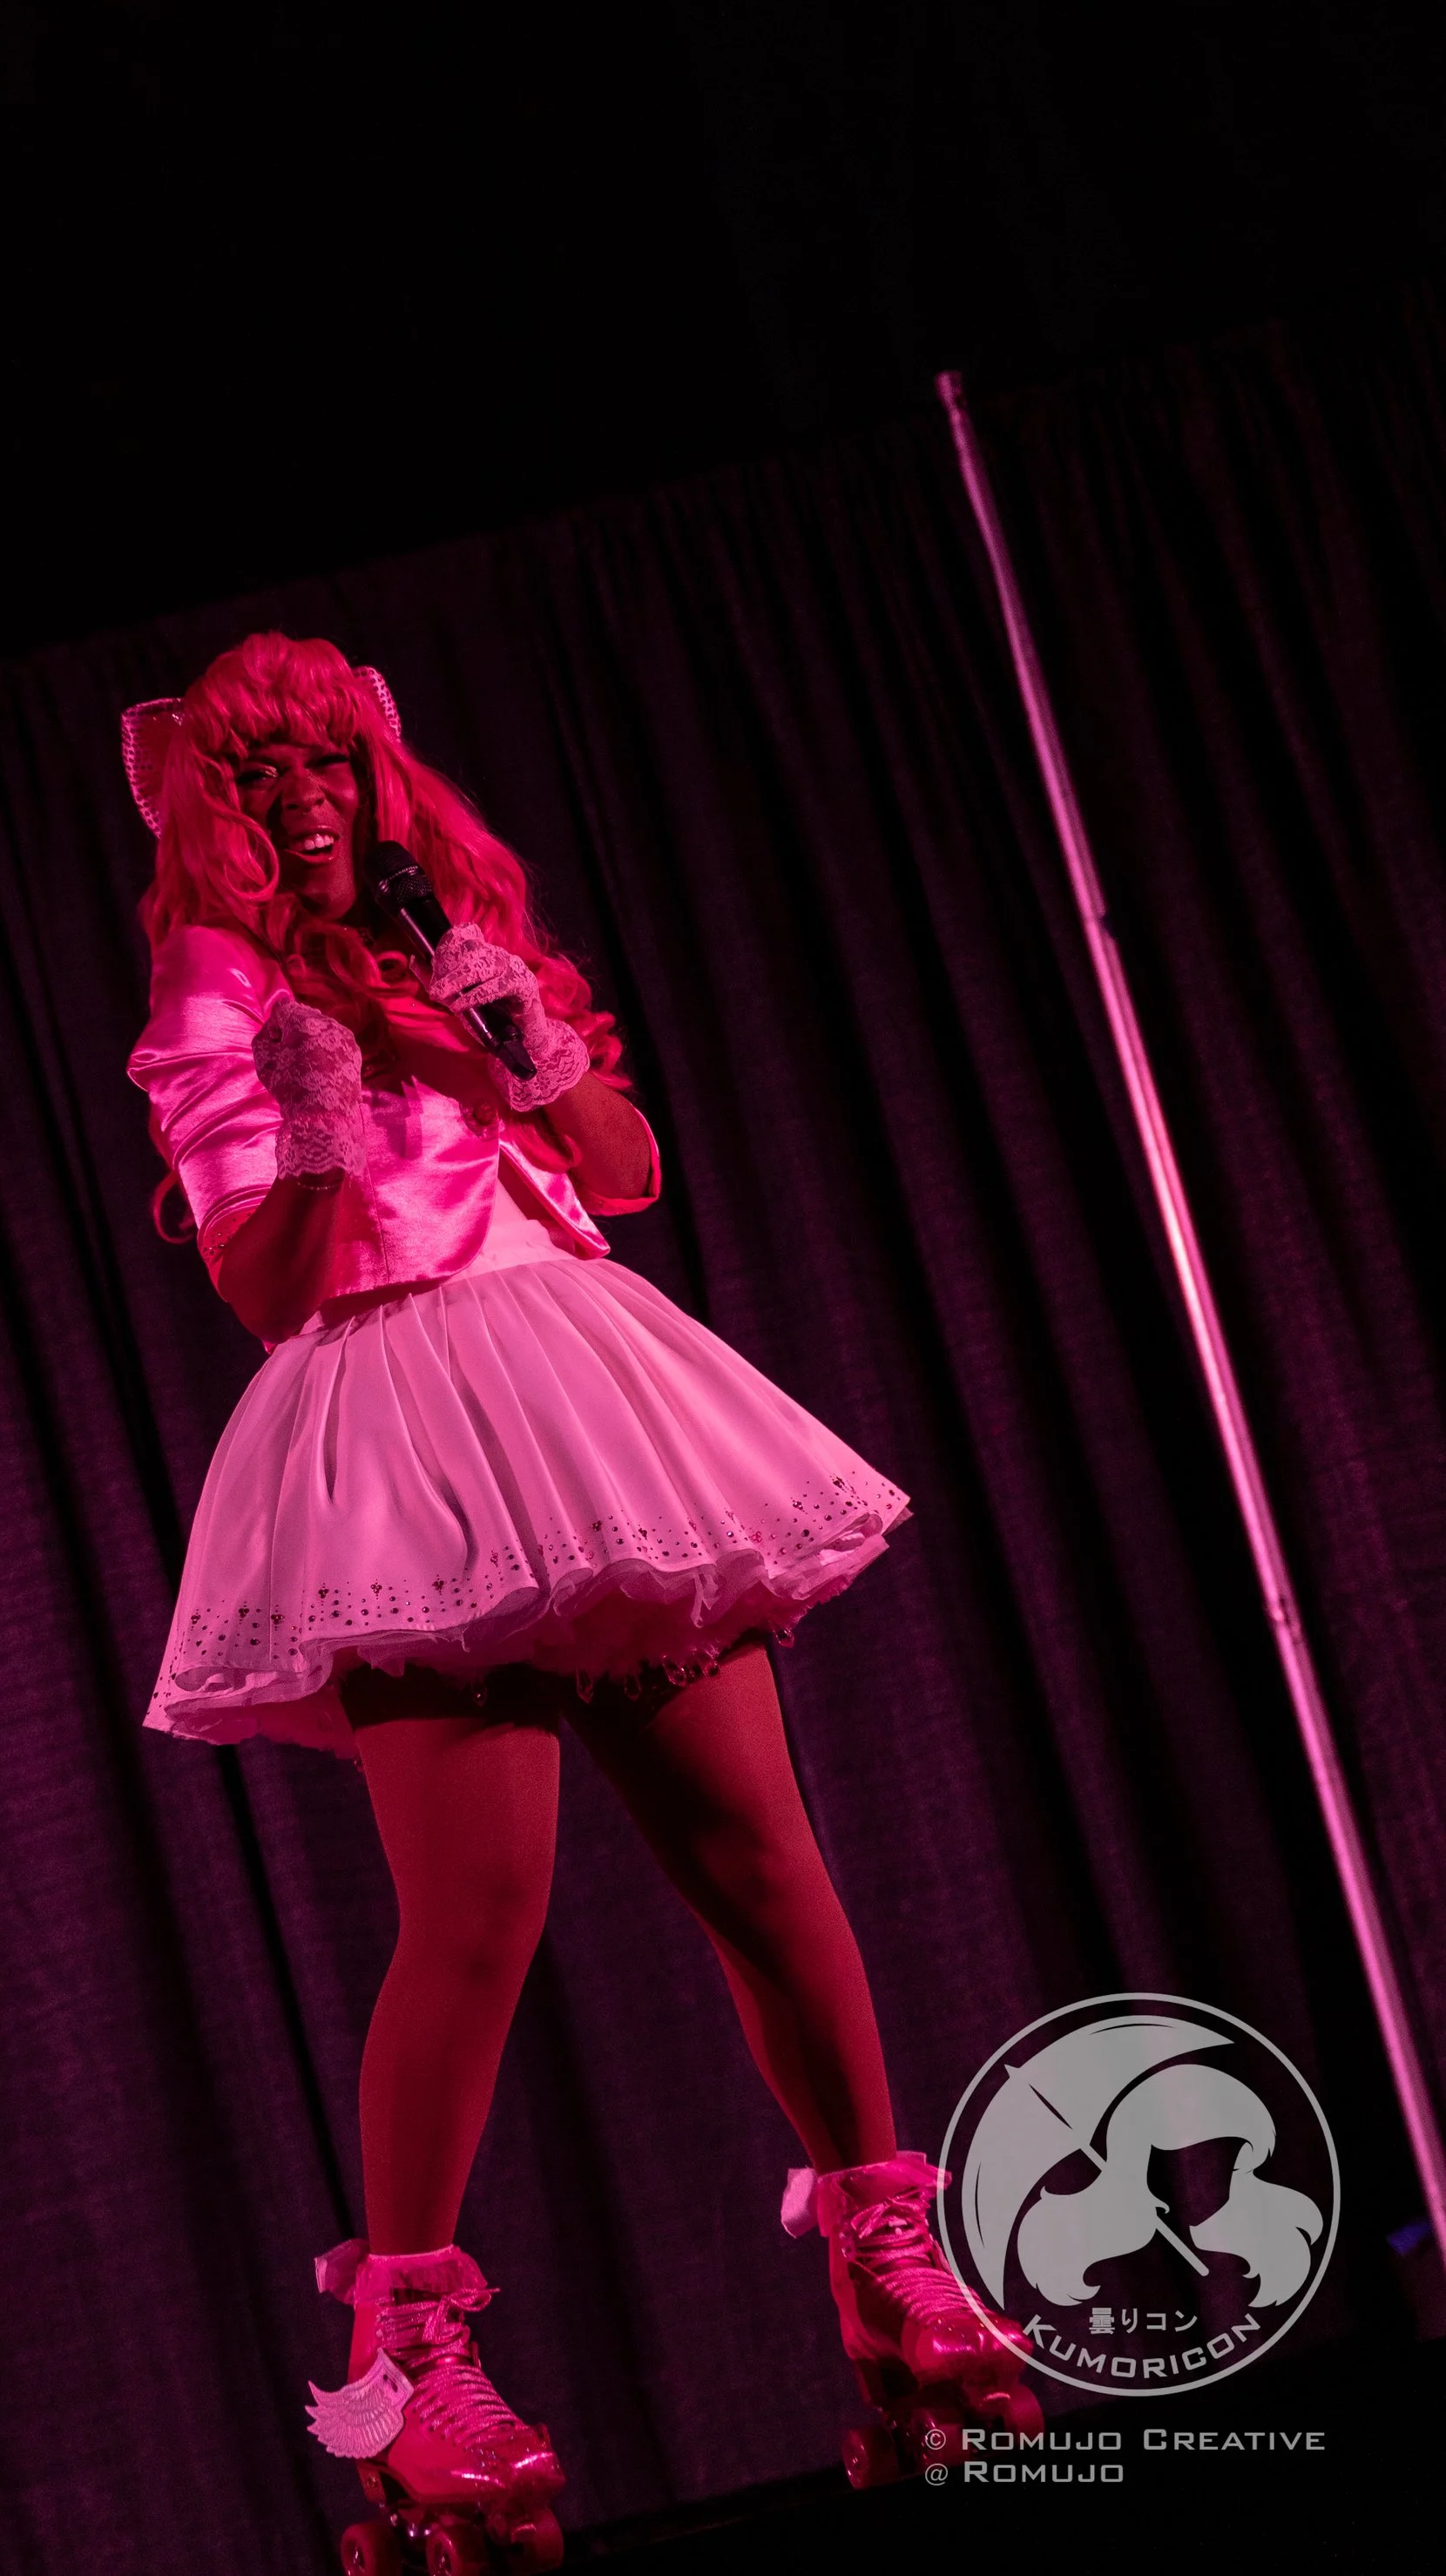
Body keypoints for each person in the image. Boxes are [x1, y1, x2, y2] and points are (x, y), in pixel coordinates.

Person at [123, 632, 1035, 2553]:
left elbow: (618, 1173)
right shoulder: (219, 983)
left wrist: (520, 1041)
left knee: (761, 1857)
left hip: (582, 1400)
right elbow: (267, 1288)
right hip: (395, 1424)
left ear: (379, 777)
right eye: (265, 776)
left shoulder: (451, 933)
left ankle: (882, 2244)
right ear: (220, 806)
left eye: (333, 766)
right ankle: (405, 2367)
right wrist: (307, 1113)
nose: (307, 801)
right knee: (477, 1908)